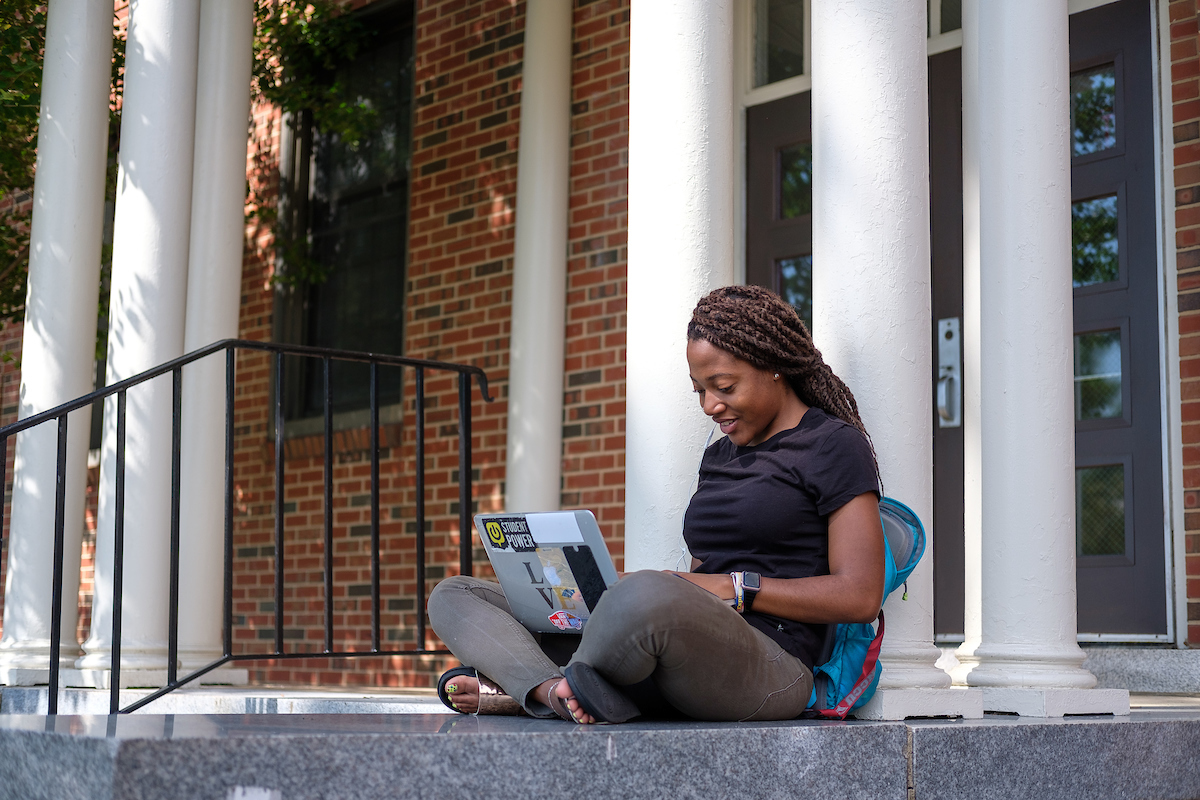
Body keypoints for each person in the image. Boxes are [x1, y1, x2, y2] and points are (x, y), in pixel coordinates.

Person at [427, 285, 884, 723]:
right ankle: (553, 691)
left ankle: (525, 685)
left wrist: (734, 588)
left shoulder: (832, 446)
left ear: (773, 365)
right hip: (685, 647)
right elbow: (694, 579)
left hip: (772, 662)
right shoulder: (719, 455)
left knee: (647, 593)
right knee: (456, 594)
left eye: (724, 386)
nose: (709, 405)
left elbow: (859, 595)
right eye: (699, 390)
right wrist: (608, 587)